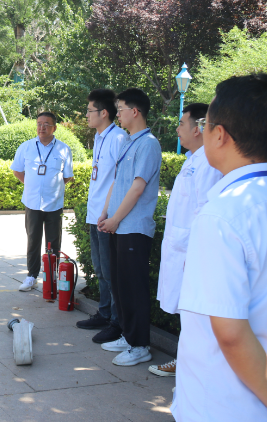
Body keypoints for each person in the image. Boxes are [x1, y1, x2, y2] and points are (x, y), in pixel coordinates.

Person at [172, 73, 267, 421]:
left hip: (226, 404)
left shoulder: (222, 215)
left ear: (219, 134)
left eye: (205, 124)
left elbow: (231, 333)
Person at [149, 103, 221, 378]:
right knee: (187, 312)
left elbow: (204, 212)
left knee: (195, 314)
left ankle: (190, 366)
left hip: (190, 251)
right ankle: (186, 362)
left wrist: (194, 254)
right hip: (180, 246)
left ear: (199, 128)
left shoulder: (208, 164)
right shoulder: (193, 159)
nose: (177, 129)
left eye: (181, 123)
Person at [97, 88, 162, 366]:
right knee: (121, 285)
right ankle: (128, 334)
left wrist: (115, 219)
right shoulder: (127, 142)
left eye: (121, 108)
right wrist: (105, 213)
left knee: (134, 288)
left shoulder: (148, 144)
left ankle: (140, 345)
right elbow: (116, 182)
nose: (118, 113)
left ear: (135, 111)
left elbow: (137, 188)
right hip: (118, 226)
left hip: (133, 227)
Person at [76, 90, 129, 343]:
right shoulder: (99, 138)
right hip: (95, 214)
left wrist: (109, 213)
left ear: (104, 113)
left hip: (107, 217)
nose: (86, 115)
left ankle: (116, 322)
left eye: (89, 111)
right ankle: (104, 313)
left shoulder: (118, 138)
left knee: (110, 271)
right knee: (100, 269)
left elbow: (120, 179)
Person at [10, 112, 74, 292]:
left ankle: (52, 276)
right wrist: (31, 184)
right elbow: (17, 171)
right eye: (39, 123)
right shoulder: (26, 147)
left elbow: (67, 176)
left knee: (54, 242)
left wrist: (52, 187)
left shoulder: (64, 149)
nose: (42, 127)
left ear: (54, 127)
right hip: (32, 202)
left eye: (46, 124)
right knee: (33, 240)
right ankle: (32, 276)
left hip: (54, 203)